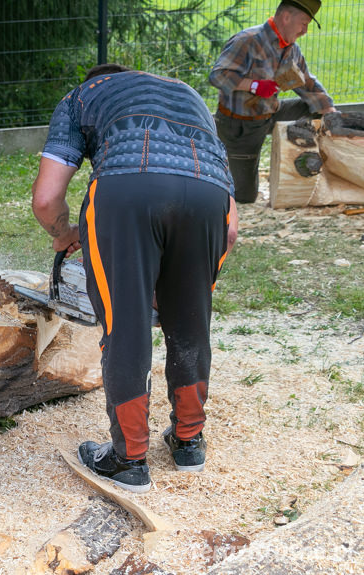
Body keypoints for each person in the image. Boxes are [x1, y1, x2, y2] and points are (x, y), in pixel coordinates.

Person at [31, 63, 239, 493]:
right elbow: (231, 228)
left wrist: (64, 235)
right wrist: (181, 287)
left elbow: (46, 199)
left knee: (126, 326)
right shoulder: (190, 97)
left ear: (96, 79)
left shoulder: (81, 97)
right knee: (190, 325)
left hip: (126, 189)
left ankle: (128, 460)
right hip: (207, 199)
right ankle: (188, 443)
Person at [210, 0, 337, 204]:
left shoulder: (290, 49)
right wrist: (254, 86)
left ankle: (299, 156)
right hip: (240, 124)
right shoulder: (247, 41)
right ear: (286, 17)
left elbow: (307, 81)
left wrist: (330, 111)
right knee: (244, 197)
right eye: (303, 23)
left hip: (271, 112)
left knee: (317, 110)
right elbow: (217, 76)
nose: (305, 31)